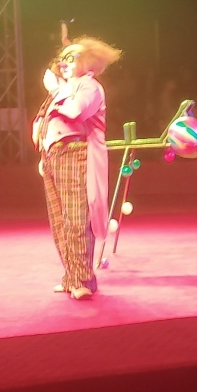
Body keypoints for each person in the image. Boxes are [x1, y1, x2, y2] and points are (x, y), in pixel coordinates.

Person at [33, 31, 121, 301]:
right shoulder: (65, 89)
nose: (63, 62)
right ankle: (70, 277)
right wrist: (44, 155)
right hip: (54, 157)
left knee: (76, 219)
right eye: (62, 58)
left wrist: (55, 90)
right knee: (59, 221)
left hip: (75, 154)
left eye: (71, 58)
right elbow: (47, 123)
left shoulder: (88, 86)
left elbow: (75, 112)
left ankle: (83, 279)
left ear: (86, 62)